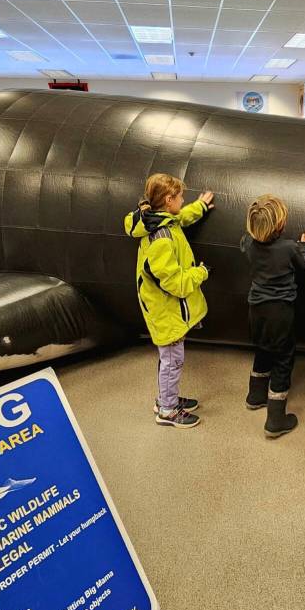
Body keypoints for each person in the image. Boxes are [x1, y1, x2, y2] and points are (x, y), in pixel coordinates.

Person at [125, 173, 214, 428]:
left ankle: (167, 398)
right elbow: (175, 283)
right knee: (173, 360)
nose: (183, 201)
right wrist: (201, 272)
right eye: (180, 197)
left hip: (166, 307)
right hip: (166, 309)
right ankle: (167, 410)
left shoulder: (158, 220)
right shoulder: (160, 239)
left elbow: (181, 217)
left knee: (170, 358)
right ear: (168, 199)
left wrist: (200, 207)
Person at [241, 195, 305, 438]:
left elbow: (247, 244)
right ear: (279, 225)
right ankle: (275, 419)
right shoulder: (289, 248)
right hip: (280, 313)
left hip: (255, 310)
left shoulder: (247, 243)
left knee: (262, 350)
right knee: (283, 360)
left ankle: (255, 396)